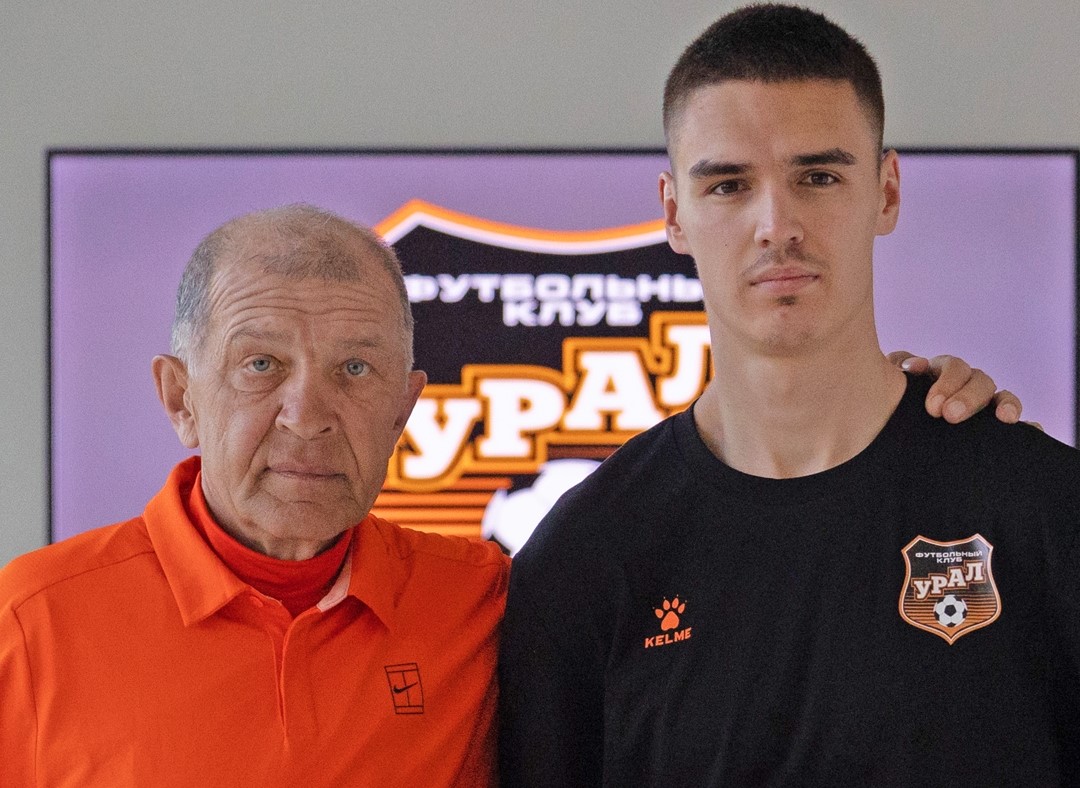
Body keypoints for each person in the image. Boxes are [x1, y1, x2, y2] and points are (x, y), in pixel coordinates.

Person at [498, 5, 1080, 785]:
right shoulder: (584, 557)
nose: (777, 224)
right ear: (674, 213)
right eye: (729, 185)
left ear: (887, 191)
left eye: (818, 177)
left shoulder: (1044, 508)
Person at [0, 205, 508, 787]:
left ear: (402, 411)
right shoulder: (31, 624)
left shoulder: (484, 604)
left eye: (355, 368)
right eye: (261, 364)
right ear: (181, 399)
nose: (307, 418)